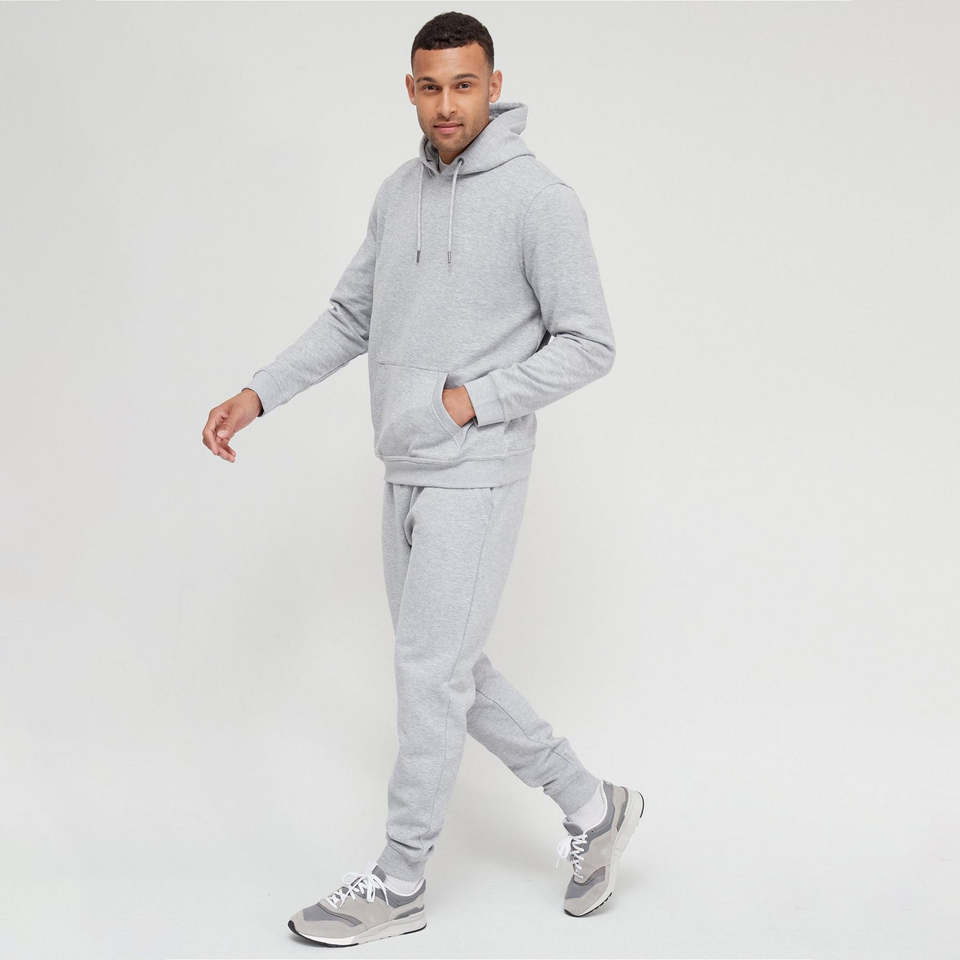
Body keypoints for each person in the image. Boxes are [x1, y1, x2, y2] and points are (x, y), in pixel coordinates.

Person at [202, 11, 643, 947]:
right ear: (410, 90)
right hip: (403, 466)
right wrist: (258, 393)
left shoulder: (538, 200)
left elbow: (590, 343)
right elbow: (349, 316)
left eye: (464, 85)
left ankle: (400, 880)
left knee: (429, 676)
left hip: (476, 471)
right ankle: (593, 805)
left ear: (494, 86)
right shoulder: (397, 194)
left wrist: (471, 401)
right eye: (431, 87)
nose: (448, 105)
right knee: (448, 671)